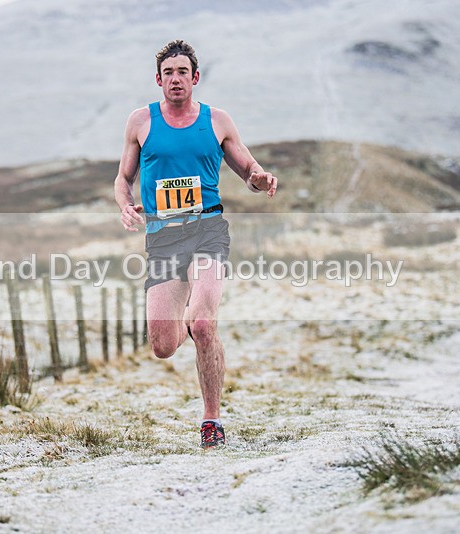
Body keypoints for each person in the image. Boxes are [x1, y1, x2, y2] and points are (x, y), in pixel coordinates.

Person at [113, 40, 277, 448]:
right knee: (163, 346)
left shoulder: (216, 120)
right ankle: (190, 316)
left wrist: (259, 179)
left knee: (203, 325)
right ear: (158, 80)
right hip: (164, 238)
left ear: (195, 78)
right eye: (168, 73)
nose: (175, 79)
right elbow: (123, 179)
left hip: (207, 229)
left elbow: (248, 167)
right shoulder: (140, 122)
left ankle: (211, 420)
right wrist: (125, 206)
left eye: (182, 72)